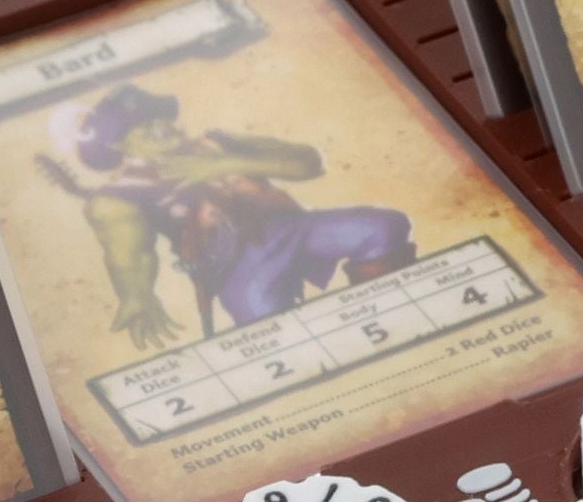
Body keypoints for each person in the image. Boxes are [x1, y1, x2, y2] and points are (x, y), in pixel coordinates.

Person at [38, 83, 416, 351]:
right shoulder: (122, 195)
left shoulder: (217, 142)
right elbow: (131, 254)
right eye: (145, 128)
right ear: (120, 144)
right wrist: (137, 296)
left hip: (292, 227)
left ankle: (390, 313)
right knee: (267, 326)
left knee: (381, 228)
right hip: (237, 265)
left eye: (160, 118)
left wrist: (225, 163)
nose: (161, 129)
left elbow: (309, 163)